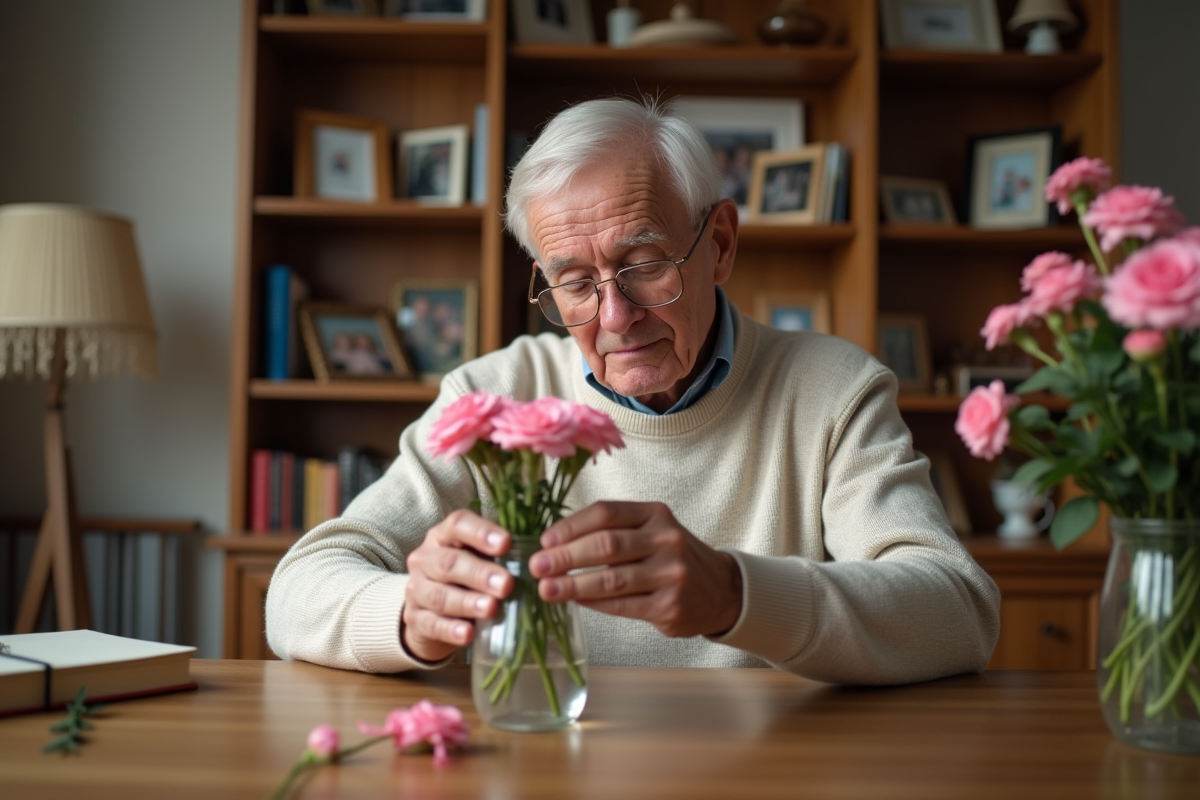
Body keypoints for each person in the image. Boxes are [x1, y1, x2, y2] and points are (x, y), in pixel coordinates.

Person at [266, 97, 999, 685]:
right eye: (575, 283)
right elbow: (297, 589)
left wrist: (737, 595)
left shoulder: (833, 389)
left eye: (644, 262)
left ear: (719, 244)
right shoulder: (494, 397)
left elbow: (958, 609)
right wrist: (411, 617)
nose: (615, 317)